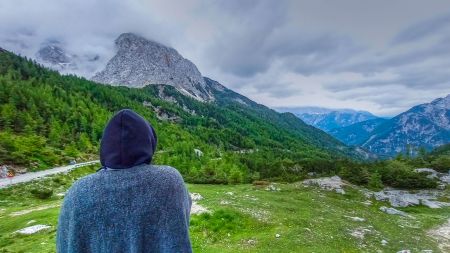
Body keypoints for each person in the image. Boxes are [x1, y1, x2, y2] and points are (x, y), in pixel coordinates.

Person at [57, 109, 192, 253]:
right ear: (148, 142)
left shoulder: (77, 192)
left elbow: (64, 244)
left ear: (106, 145)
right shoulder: (170, 180)